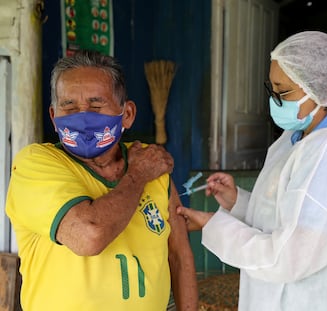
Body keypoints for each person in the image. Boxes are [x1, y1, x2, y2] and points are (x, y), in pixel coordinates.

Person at [177, 31, 327, 311]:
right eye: (271, 88)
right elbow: (290, 215)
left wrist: (211, 223)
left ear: (321, 90)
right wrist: (237, 201)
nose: (275, 99)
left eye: (284, 91)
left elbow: (288, 256)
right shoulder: (298, 137)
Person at [6, 50, 198, 311]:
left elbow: (179, 255)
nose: (82, 116)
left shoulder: (152, 168)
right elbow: (89, 236)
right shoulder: (34, 165)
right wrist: (138, 175)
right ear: (53, 117)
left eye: (96, 105)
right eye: (69, 106)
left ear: (127, 114)